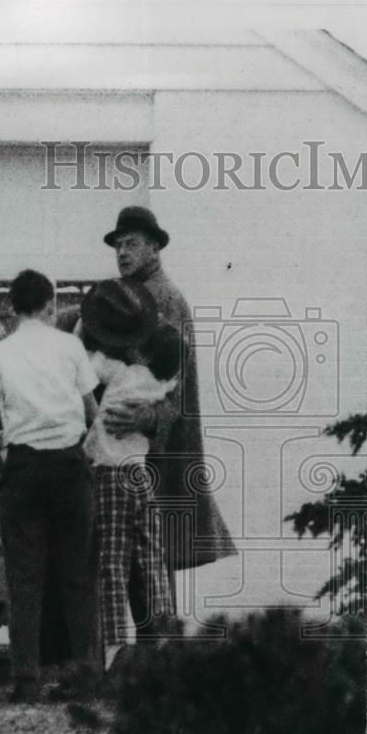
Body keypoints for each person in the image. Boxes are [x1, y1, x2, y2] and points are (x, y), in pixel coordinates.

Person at [101, 206, 237, 618]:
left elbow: (171, 388)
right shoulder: (136, 296)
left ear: (155, 248)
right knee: (145, 567)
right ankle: (153, 662)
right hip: (138, 453)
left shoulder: (162, 299)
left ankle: (155, 665)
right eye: (119, 245)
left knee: (149, 567)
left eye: (132, 244)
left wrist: (143, 419)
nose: (122, 252)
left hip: (154, 455)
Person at [0, 269, 101, 700]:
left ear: (9, 307)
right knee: (77, 576)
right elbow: (91, 410)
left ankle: (26, 678)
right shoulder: (70, 347)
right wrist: (82, 455)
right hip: (68, 466)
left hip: (23, 469)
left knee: (25, 578)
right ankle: (82, 675)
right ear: (50, 306)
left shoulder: (0, 353)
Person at [80, 278, 182, 667]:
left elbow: (86, 369)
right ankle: (164, 641)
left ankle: (114, 652)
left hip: (110, 476)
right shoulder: (160, 382)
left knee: (112, 565)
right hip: (140, 475)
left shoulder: (121, 373)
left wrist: (79, 337)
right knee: (152, 560)